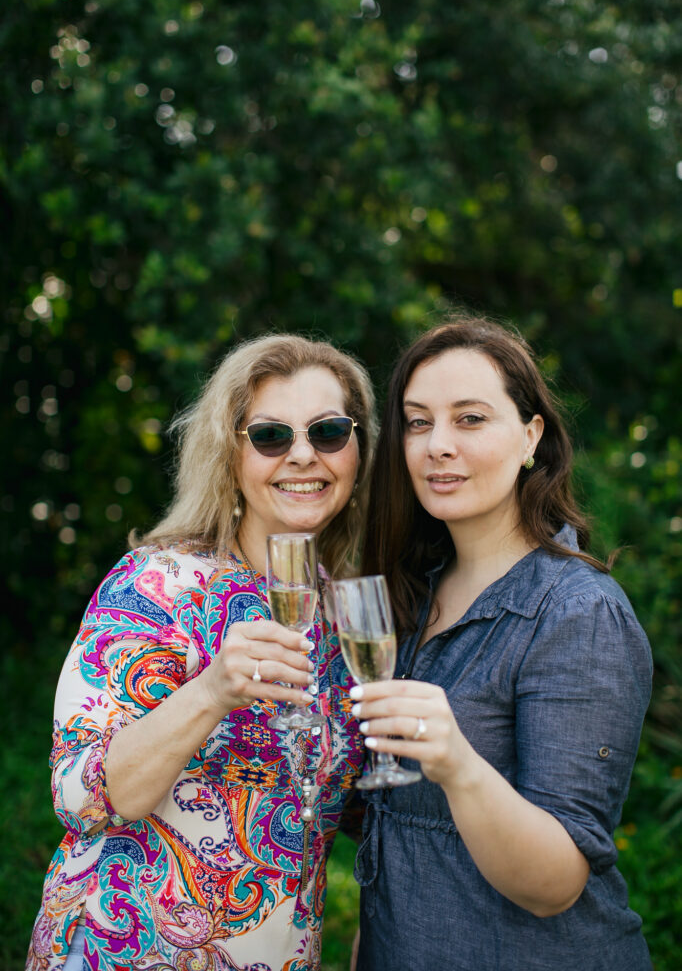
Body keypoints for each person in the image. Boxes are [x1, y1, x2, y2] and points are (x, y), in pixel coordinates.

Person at [26, 333, 376, 971]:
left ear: (357, 450)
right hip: (123, 949)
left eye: (327, 432)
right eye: (271, 436)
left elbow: (341, 801)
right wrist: (212, 689)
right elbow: (79, 795)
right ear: (231, 457)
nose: (303, 455)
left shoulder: (348, 610)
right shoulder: (156, 585)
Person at [353, 317, 652, 970]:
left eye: (469, 419)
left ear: (530, 437)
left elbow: (555, 884)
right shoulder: (408, 599)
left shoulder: (578, 613)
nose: (437, 445)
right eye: (418, 421)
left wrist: (458, 765)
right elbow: (393, 844)